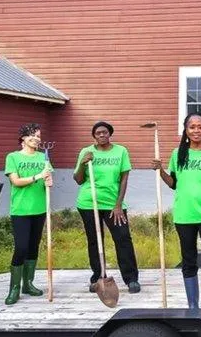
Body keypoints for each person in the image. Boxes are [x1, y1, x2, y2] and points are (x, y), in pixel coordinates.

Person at [151, 113, 201, 309]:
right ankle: (193, 305)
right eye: (192, 127)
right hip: (184, 216)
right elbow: (173, 184)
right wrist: (160, 171)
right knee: (188, 260)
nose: (196, 130)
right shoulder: (177, 154)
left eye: (200, 127)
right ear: (185, 130)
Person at [73, 121, 141, 293]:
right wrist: (83, 163)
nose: (101, 135)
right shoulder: (86, 152)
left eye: (104, 132)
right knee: (95, 241)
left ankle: (131, 278)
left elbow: (124, 178)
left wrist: (118, 204)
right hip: (89, 203)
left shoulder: (121, 151)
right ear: (94, 136)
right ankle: (98, 276)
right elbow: (79, 179)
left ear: (110, 134)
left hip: (113, 204)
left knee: (123, 238)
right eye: (98, 133)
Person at [3, 123, 53, 305]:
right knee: (21, 247)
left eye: (39, 136)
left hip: (39, 208)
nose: (38, 139)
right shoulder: (13, 157)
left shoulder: (44, 157)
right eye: (34, 136)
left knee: (33, 246)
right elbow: (15, 181)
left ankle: (28, 284)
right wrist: (37, 176)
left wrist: (48, 180)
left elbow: (48, 180)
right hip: (21, 209)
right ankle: (14, 288)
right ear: (23, 138)